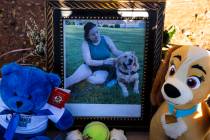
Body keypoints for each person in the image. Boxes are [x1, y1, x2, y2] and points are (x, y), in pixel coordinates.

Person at [66, 22, 123, 87]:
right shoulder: (85, 44)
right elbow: (88, 61)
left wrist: (125, 54)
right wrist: (103, 62)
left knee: (99, 80)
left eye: (97, 32)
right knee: (71, 80)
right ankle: (59, 87)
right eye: (93, 34)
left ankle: (85, 76)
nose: (96, 35)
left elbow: (115, 51)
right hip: (89, 67)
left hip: (104, 68)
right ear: (88, 36)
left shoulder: (106, 39)